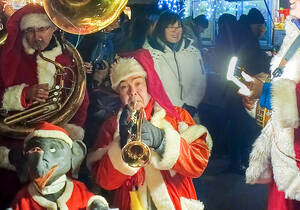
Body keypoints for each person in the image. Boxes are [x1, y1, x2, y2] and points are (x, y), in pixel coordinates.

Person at [87, 49, 211, 210]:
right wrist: (121, 147)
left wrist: (162, 139)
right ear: (119, 93)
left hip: (174, 202)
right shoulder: (111, 126)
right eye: (124, 87)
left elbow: (198, 164)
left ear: (148, 84)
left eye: (138, 83)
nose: (133, 92)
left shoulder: (177, 116)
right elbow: (105, 182)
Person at [0, 4, 89, 208]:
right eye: (30, 31)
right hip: (15, 148)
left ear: (53, 29)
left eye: (42, 29)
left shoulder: (67, 59)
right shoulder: (9, 56)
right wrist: (23, 94)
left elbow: (80, 100)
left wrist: (70, 133)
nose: (36, 36)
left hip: (56, 149)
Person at [243, 1, 300, 209]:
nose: (290, 0)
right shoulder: (295, 34)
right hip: (286, 152)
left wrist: (265, 92)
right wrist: (258, 97)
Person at [143, 11, 206, 119]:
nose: (175, 31)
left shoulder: (193, 52)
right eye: (170, 27)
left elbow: (200, 80)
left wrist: (191, 104)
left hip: (191, 113)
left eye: (179, 27)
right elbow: (156, 86)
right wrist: (179, 106)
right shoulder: (152, 54)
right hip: (164, 114)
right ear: (161, 29)